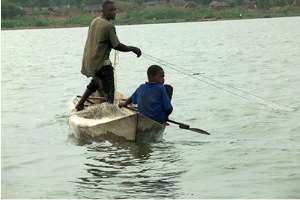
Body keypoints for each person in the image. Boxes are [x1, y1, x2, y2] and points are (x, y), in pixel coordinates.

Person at [76, 0, 141, 111]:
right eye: (111, 10)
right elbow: (117, 45)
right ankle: (109, 113)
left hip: (90, 61)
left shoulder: (95, 21)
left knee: (95, 82)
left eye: (115, 9)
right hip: (101, 62)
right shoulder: (108, 26)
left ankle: (80, 104)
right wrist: (133, 49)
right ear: (104, 11)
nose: (114, 12)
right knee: (110, 93)